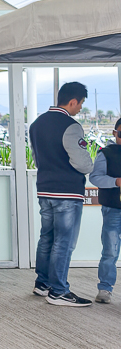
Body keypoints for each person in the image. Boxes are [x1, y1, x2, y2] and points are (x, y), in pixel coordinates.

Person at [30, 81, 95, 306]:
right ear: (73, 101)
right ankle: (58, 292)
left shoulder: (36, 124)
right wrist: (91, 162)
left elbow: (37, 158)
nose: (80, 109)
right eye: (81, 104)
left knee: (47, 237)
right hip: (67, 192)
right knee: (64, 242)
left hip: (45, 189)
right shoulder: (71, 126)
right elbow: (83, 163)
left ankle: (42, 284)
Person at [90, 117, 121, 304]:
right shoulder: (106, 154)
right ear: (114, 133)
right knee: (110, 251)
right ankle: (105, 288)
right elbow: (95, 177)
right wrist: (115, 182)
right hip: (113, 210)